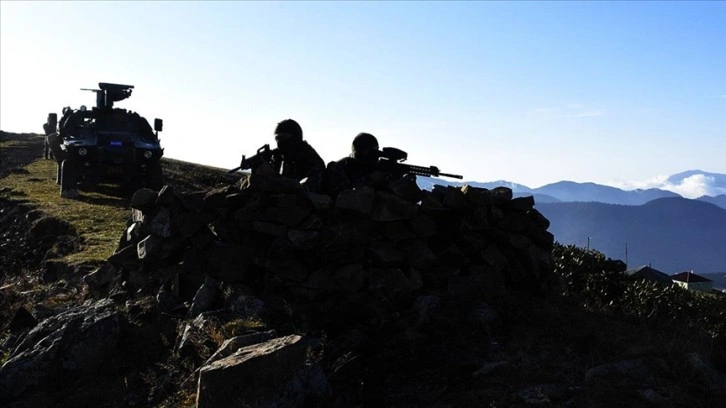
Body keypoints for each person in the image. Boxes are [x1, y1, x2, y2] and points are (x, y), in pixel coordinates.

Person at [323, 132, 391, 197]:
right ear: (360, 150)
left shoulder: (373, 167)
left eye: (377, 150)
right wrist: (370, 179)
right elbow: (343, 194)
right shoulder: (340, 167)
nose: (376, 155)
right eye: (371, 151)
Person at [270, 119, 326, 193]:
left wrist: (273, 175)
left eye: (283, 138)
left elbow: (304, 191)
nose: (279, 143)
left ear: (294, 138)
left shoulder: (313, 162)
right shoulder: (282, 158)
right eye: (277, 139)